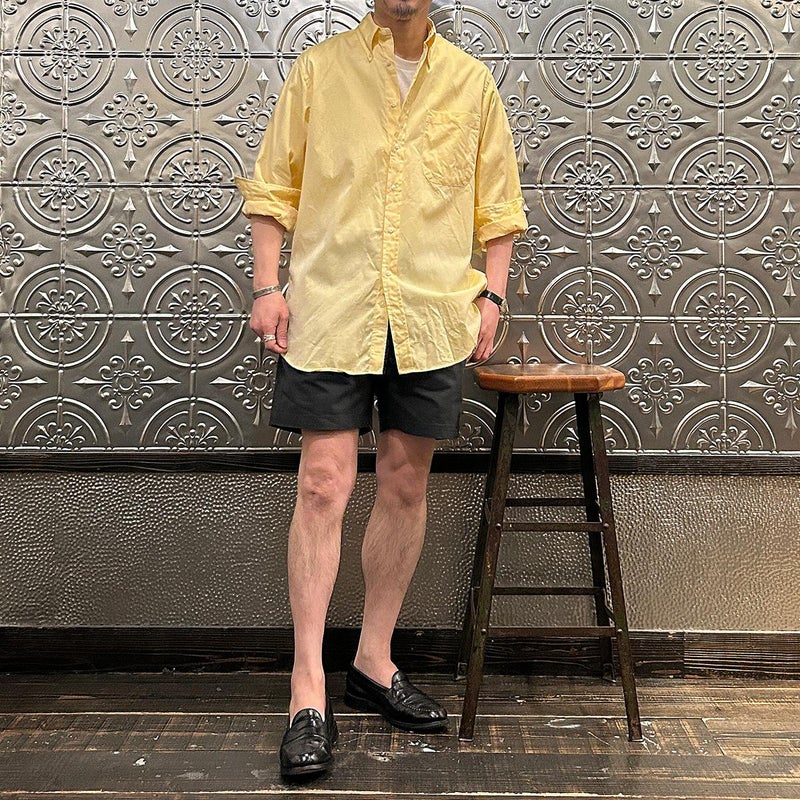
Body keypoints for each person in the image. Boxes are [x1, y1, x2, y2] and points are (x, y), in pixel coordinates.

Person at [233, 0, 527, 781]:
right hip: (331, 309)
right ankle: (306, 689)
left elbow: (499, 204)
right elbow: (272, 188)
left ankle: (373, 659)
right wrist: (266, 285)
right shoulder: (320, 70)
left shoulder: (470, 82)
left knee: (404, 483)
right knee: (323, 483)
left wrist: (492, 296)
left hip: (431, 315)